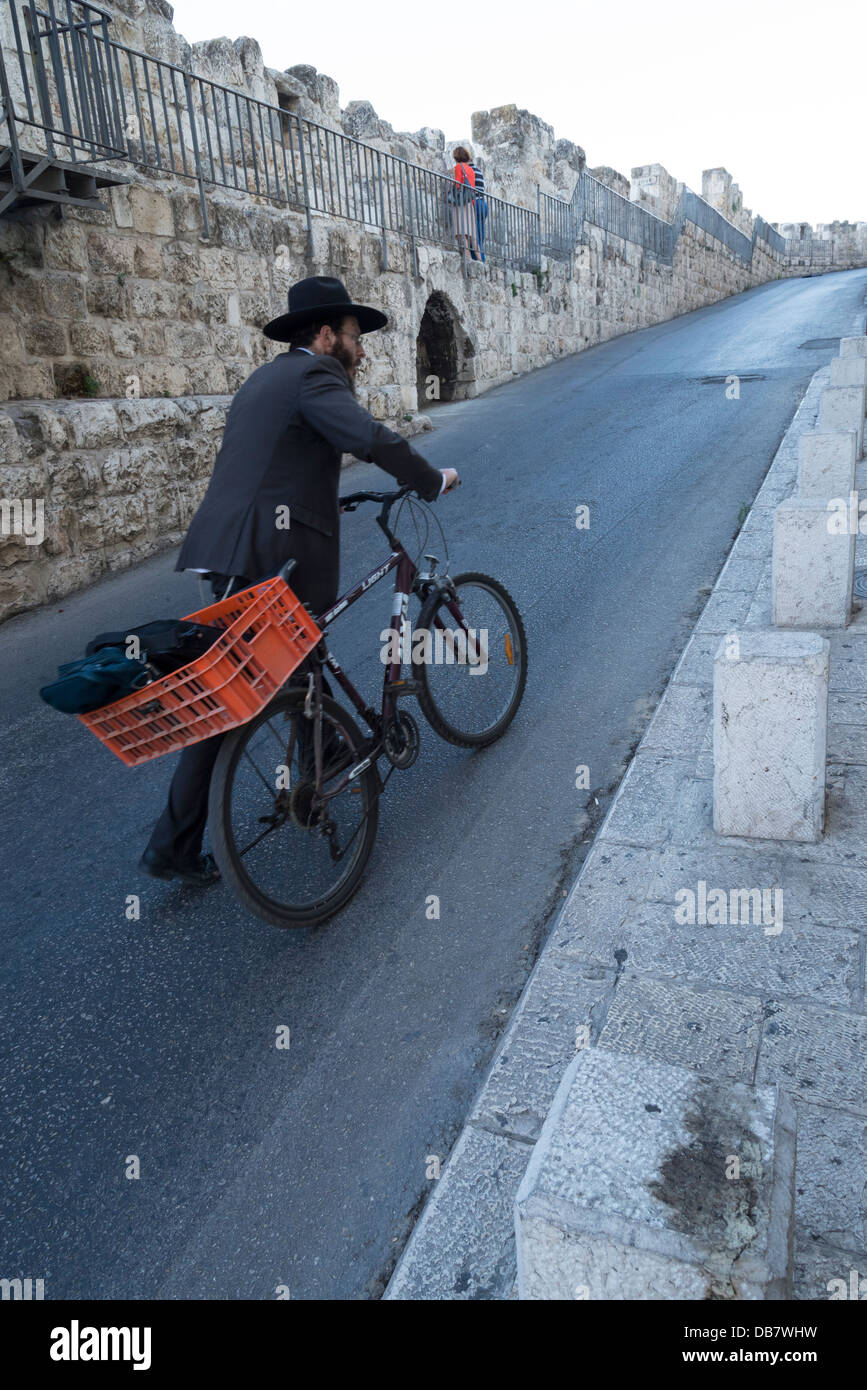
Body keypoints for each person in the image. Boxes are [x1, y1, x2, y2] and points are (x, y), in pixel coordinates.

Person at [140, 275, 460, 886]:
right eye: (355, 338)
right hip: (268, 555)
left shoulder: (266, 378)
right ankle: (326, 757)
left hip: (230, 550)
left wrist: (320, 502)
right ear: (324, 335)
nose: (362, 351)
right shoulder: (317, 376)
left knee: (258, 680)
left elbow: (273, 462)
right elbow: (368, 437)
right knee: (256, 685)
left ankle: (187, 837)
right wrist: (429, 479)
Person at [448, 146, 480, 261]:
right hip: (469, 202)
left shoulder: (458, 167)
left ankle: (467, 257)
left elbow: (457, 184)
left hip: (460, 202)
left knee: (461, 231)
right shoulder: (471, 169)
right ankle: (479, 258)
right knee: (472, 233)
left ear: (456, 156)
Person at [470, 155, 487, 263]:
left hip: (475, 202)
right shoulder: (478, 171)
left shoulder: (469, 171)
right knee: (480, 235)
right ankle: (482, 260)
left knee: (473, 235)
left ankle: (477, 260)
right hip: (483, 203)